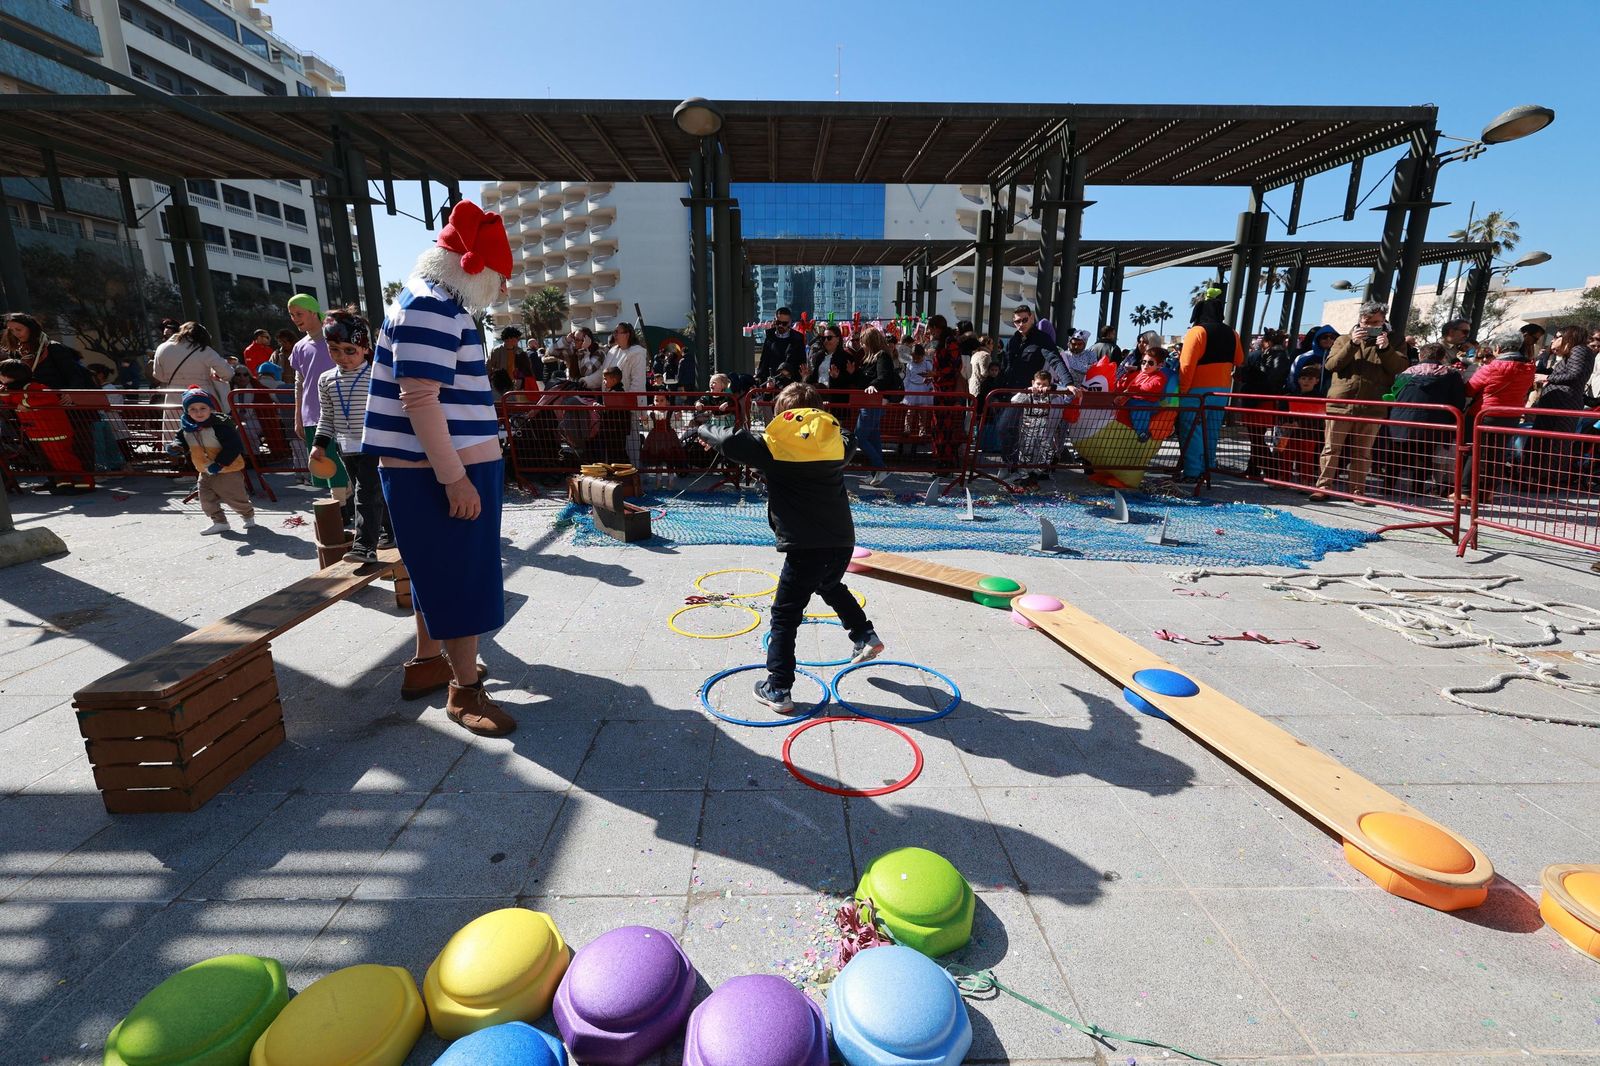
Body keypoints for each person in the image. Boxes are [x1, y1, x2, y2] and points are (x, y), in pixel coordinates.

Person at [363, 200, 515, 736]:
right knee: (463, 576)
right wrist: (454, 477)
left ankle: (430, 661)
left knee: (434, 570)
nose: (499, 289)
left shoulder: (427, 302)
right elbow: (421, 399)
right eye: (498, 277)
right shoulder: (433, 308)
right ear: (475, 271)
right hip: (440, 469)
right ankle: (464, 689)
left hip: (430, 465)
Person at [697, 381, 882, 712]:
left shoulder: (774, 446)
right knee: (829, 583)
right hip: (841, 541)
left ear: (783, 415)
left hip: (805, 546)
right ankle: (864, 633)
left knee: (785, 615)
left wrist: (702, 429)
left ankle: (779, 688)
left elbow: (730, 440)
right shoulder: (835, 443)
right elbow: (850, 439)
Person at [310, 309, 393, 563]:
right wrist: (319, 445)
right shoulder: (326, 380)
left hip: (374, 444)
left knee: (364, 493)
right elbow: (327, 416)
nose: (342, 357)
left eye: (350, 350)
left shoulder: (377, 376)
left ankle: (364, 546)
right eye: (335, 350)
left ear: (365, 349)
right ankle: (392, 532)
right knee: (374, 493)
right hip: (346, 447)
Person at [1310, 301, 1408, 502]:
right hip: (1341, 404)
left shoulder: (1395, 341)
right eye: (1367, 321)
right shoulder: (1343, 339)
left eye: (1376, 322)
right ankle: (1323, 486)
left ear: (1384, 322)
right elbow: (1331, 365)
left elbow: (1399, 368)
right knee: (1331, 448)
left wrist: (1386, 349)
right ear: (1359, 320)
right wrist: (1352, 344)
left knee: (1363, 452)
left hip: (1372, 406)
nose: (1371, 326)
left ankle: (1357, 490)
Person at [168, 386, 254, 535]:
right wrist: (176, 446)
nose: (198, 412)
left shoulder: (221, 427)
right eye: (193, 409)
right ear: (186, 411)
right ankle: (219, 522)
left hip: (227, 469)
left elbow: (234, 447)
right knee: (206, 499)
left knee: (235, 497)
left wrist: (220, 463)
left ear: (210, 408)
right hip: (204, 469)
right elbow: (180, 439)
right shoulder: (187, 427)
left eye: (203, 408)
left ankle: (247, 515)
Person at [1176, 293, 1244, 481]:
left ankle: (1192, 472)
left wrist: (1182, 390)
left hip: (1196, 391)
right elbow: (1239, 360)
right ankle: (1209, 468)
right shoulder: (1233, 333)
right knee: (1212, 430)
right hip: (1222, 390)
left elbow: (1187, 366)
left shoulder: (1197, 332)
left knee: (1192, 429)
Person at [1388, 342, 1467, 496]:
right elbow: (1459, 401)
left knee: (1395, 455)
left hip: (1400, 421)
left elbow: (1393, 395)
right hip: (1432, 423)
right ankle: (1416, 490)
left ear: (1420, 355)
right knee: (1424, 455)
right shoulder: (1451, 375)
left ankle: (1388, 487)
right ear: (1443, 357)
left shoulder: (1404, 374)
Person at [1464, 334, 1537, 502]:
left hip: (1485, 414)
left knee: (1473, 451)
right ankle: (1489, 492)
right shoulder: (1529, 368)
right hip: (1511, 415)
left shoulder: (1491, 367)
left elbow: (1470, 389)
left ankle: (1466, 491)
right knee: (1497, 454)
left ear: (1498, 348)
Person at [1, 358, 92, 491]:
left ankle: (84, 483)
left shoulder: (34, 386)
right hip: (38, 431)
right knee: (53, 461)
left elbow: (51, 397)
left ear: (12, 375)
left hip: (54, 429)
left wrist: (26, 404)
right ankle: (64, 483)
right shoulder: (10, 389)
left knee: (64, 458)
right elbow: (8, 399)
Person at [288, 294, 346, 500]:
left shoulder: (335, 338)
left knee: (342, 464)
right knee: (325, 464)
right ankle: (340, 507)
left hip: (340, 412)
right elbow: (299, 383)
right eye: (292, 315)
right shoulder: (299, 347)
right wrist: (298, 417)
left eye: (299, 313)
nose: (295, 318)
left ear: (313, 312)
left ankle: (343, 506)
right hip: (312, 413)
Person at [1233, 329, 1293, 479]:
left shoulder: (1261, 356)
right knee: (1257, 437)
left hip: (1258, 400)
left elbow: (1260, 378)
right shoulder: (1282, 356)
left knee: (1256, 439)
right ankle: (1253, 469)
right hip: (1266, 400)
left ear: (1266, 341)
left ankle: (1272, 471)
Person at [152, 321, 233, 411]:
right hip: (202, 397)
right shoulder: (204, 350)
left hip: (173, 397)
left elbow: (158, 375)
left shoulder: (162, 348)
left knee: (175, 423)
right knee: (203, 423)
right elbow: (228, 374)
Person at [2, 312, 94, 390]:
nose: (15, 333)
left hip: (62, 399)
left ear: (30, 328)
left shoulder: (53, 347)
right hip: (35, 401)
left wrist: (71, 393)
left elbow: (74, 375)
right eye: (11, 331)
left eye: (19, 329)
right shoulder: (15, 353)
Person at [1274, 360, 1325, 482]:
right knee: (1285, 457)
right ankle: (1283, 479)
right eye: (1303, 378)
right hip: (1288, 434)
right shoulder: (1290, 395)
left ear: (1316, 381)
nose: (1306, 381)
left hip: (1308, 434)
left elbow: (1317, 418)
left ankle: (1305, 480)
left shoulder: (1318, 397)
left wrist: (1299, 424)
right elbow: (1283, 413)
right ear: (1298, 380)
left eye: (1310, 379)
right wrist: (1285, 422)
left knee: (1306, 459)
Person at [757, 307, 807, 383]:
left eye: (784, 323)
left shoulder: (798, 338)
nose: (781, 325)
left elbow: (801, 362)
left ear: (790, 322)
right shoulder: (770, 336)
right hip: (772, 382)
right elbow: (764, 360)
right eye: (778, 322)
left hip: (791, 382)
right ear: (774, 320)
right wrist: (759, 377)